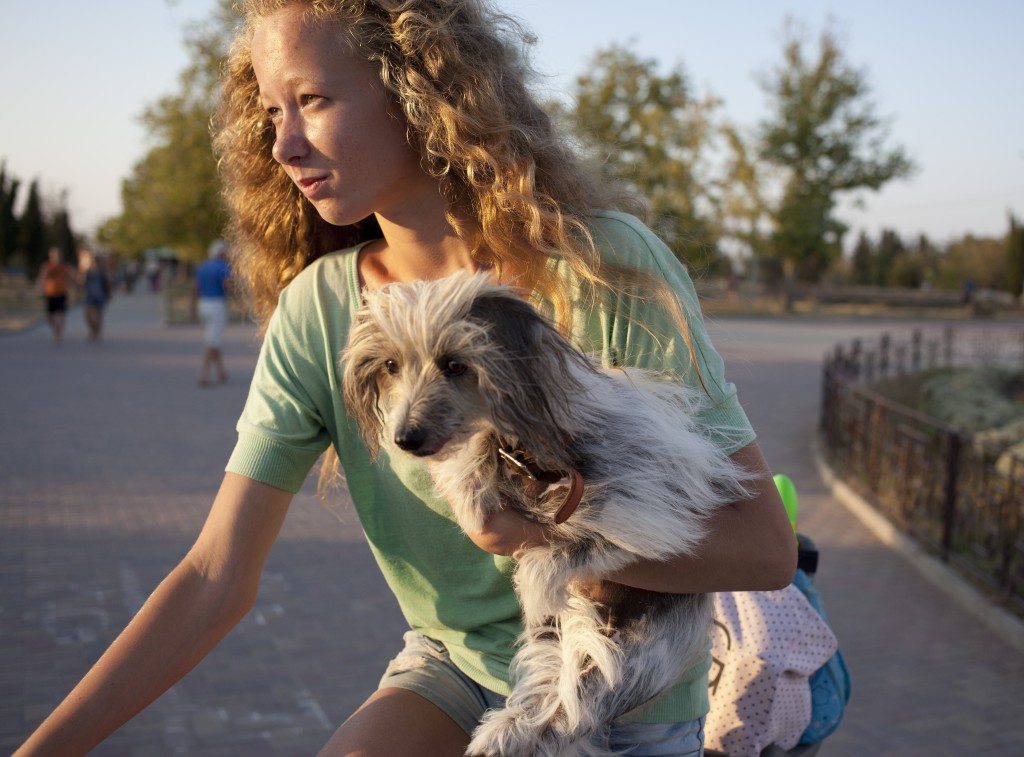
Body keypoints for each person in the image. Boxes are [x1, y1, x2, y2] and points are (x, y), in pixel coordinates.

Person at [16, 2, 796, 755]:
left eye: (313, 100)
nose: (284, 144)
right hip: (452, 670)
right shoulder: (319, 312)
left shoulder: (603, 271)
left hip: (616, 690)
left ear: (416, 93)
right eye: (272, 110)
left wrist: (535, 529)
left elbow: (764, 549)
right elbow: (216, 572)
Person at [193, 239, 232, 386]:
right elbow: (227, 286)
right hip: (217, 304)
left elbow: (196, 287)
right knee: (212, 340)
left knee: (213, 337)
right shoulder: (223, 267)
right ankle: (203, 375)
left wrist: (192, 308)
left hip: (203, 304)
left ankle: (221, 371)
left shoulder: (203, 267)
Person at [36, 246, 71, 343]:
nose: (56, 257)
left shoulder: (65, 267)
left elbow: (72, 278)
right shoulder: (47, 266)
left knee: (60, 315)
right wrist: (40, 291)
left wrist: (78, 286)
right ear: (50, 256)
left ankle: (58, 335)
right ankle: (57, 329)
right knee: (49, 317)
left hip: (61, 294)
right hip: (50, 294)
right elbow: (42, 278)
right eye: (54, 255)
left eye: (58, 255)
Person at [79, 250, 111, 343]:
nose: (95, 262)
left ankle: (98, 333)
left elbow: (107, 284)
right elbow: (84, 283)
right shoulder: (88, 272)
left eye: (96, 261)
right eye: (93, 261)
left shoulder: (103, 272)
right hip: (90, 295)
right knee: (88, 315)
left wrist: (108, 295)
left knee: (98, 316)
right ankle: (93, 331)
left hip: (100, 295)